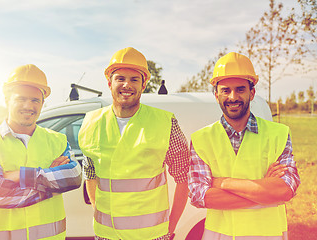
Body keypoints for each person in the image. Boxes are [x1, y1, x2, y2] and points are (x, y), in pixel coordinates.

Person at [78, 47, 191, 240]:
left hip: (152, 236)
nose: (126, 85)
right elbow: (90, 173)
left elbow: (184, 178)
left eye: (134, 79)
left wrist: (170, 228)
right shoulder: (91, 122)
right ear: (109, 82)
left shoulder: (164, 123)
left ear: (144, 83)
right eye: (120, 78)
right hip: (106, 236)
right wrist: (98, 212)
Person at [188, 52, 300, 240]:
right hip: (219, 235)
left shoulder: (279, 134)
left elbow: (286, 189)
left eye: (240, 89)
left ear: (252, 92)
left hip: (268, 235)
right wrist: (265, 192)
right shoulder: (201, 139)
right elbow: (200, 196)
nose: (233, 97)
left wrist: (222, 183)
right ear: (216, 95)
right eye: (225, 90)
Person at [0, 64, 82, 240]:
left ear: (43, 103)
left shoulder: (57, 140)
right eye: (21, 99)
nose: (29, 106)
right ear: (7, 100)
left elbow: (73, 177)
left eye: (35, 100)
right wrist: (53, 183)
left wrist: (21, 176)